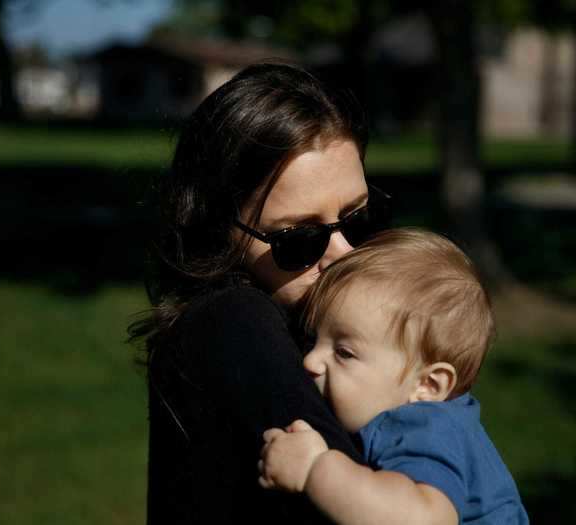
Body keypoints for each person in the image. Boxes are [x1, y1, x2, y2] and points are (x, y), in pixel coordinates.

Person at [128, 62, 392, 524]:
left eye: (358, 219)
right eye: (299, 240)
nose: (344, 254)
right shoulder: (231, 322)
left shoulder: (301, 324)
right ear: (219, 229)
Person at [258, 229, 529, 525]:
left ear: (428, 385)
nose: (310, 360)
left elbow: (423, 518)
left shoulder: (425, 427)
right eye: (313, 339)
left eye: (344, 352)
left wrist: (313, 469)